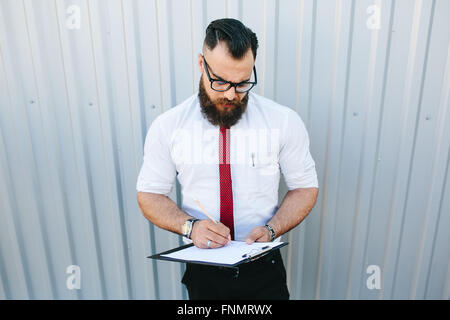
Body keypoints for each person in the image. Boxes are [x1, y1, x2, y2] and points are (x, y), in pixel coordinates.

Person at [136, 18, 319, 300]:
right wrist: (190, 227)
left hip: (263, 268)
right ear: (201, 64)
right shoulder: (168, 126)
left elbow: (305, 187)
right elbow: (150, 195)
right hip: (203, 269)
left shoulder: (283, 121)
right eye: (220, 81)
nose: (231, 94)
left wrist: (273, 229)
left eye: (243, 82)